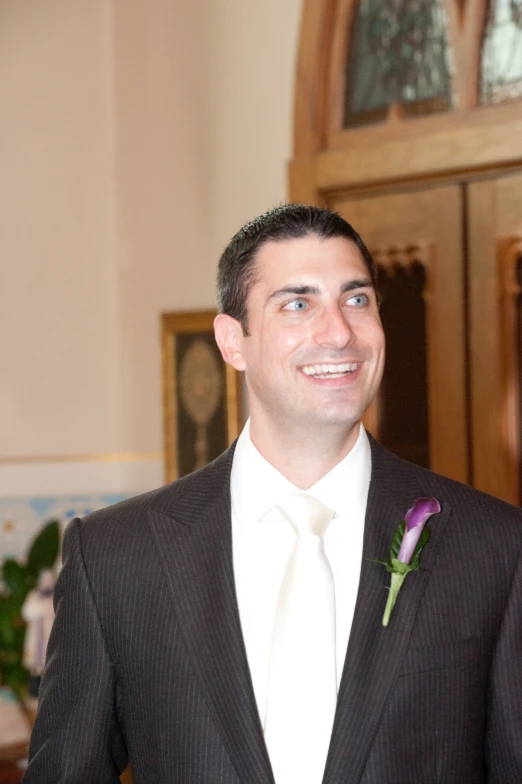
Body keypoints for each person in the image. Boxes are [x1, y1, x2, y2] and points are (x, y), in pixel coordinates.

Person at [24, 205, 522, 783]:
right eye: (298, 303)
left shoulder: (492, 548)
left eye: (356, 300)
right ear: (232, 341)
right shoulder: (115, 557)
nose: (339, 332)